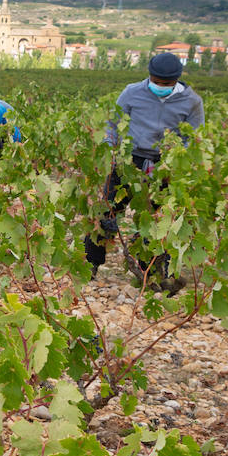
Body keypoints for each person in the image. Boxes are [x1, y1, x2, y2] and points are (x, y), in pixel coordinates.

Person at [85, 52, 205, 291]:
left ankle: (149, 271)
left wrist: (176, 158)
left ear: (176, 81)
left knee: (158, 220)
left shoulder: (192, 101)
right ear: (149, 76)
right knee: (107, 212)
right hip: (130, 159)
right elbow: (113, 124)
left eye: (165, 84)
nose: (159, 87)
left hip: (165, 165)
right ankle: (91, 264)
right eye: (156, 82)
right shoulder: (132, 92)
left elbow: (192, 136)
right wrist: (110, 149)